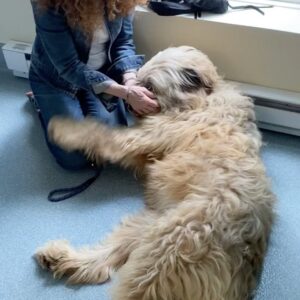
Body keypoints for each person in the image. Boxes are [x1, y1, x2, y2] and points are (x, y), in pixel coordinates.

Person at [29, 0, 159, 171]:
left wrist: (130, 82)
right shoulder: (46, 3)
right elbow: (68, 66)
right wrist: (125, 93)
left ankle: (77, 103)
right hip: (57, 80)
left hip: (101, 75)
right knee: (74, 160)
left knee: (110, 147)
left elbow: (123, 42)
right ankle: (41, 105)